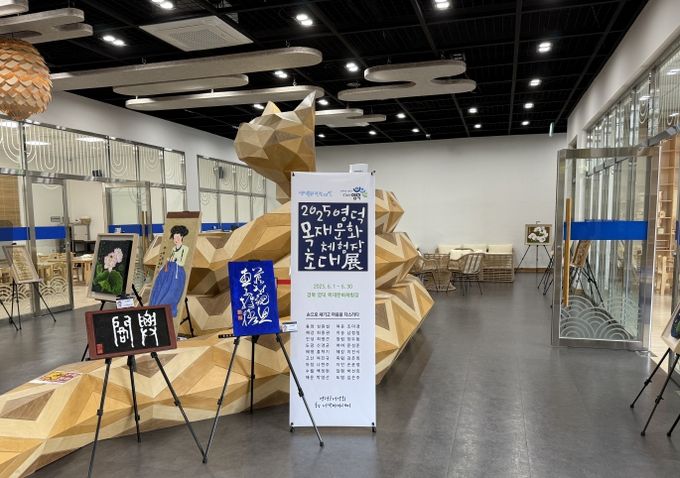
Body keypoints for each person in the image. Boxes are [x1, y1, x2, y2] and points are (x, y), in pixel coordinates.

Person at [150, 225, 190, 317]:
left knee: (171, 291)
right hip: (168, 270)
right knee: (160, 287)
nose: (176, 239)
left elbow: (181, 262)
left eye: (178, 237)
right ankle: (157, 308)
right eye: (174, 237)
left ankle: (167, 311)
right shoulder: (173, 248)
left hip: (177, 273)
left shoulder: (185, 248)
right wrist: (163, 266)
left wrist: (174, 259)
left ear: (182, 237)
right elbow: (170, 258)